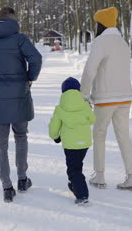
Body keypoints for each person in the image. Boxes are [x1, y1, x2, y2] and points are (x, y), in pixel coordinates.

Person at [0, 7, 42, 202]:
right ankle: (23, 179)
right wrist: (30, 77)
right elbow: (36, 58)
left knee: (0, 142)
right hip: (18, 94)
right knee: (21, 136)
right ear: (12, 19)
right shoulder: (19, 39)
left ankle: (7, 186)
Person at [80, 7, 132, 191]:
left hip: (105, 98)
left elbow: (90, 70)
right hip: (124, 97)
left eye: (96, 23)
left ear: (101, 24)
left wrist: (84, 94)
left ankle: (99, 175)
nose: (95, 26)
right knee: (124, 137)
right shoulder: (122, 42)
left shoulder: (101, 42)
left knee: (99, 135)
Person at [49, 77, 96, 205]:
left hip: (70, 145)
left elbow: (54, 127)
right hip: (84, 143)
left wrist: (55, 137)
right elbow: (92, 120)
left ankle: (82, 195)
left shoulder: (60, 108)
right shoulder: (85, 104)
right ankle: (74, 184)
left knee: (73, 169)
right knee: (77, 164)